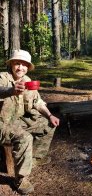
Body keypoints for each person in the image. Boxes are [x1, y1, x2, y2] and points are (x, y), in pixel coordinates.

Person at [0, 49, 60, 194]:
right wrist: (10, 90)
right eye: (17, 63)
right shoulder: (2, 77)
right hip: (2, 123)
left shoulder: (27, 81)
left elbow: (38, 102)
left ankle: (35, 158)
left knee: (49, 123)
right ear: (11, 64)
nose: (21, 67)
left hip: (19, 120)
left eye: (24, 64)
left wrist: (50, 115)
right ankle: (20, 179)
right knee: (24, 137)